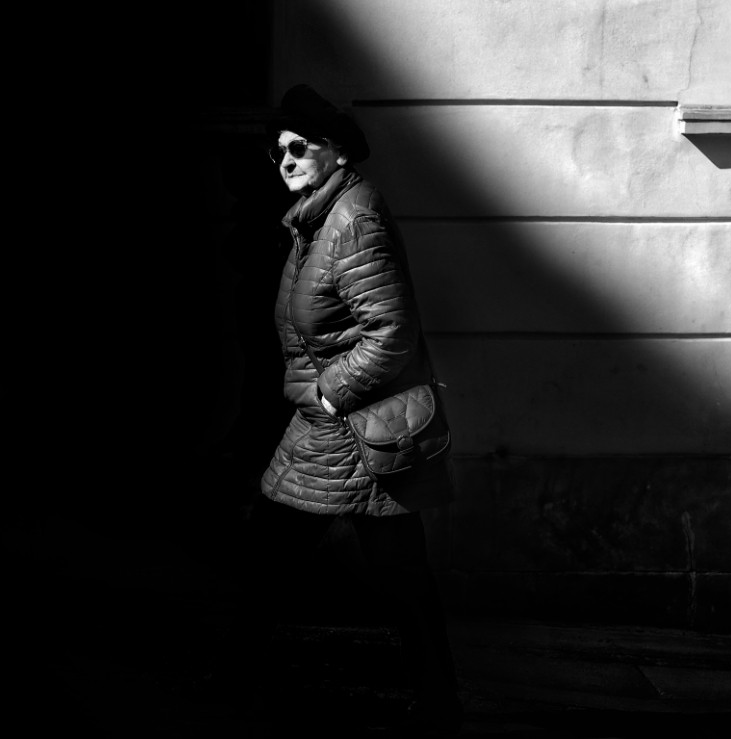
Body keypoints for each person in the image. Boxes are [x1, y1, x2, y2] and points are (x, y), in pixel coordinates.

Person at [210, 84, 462, 736]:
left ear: (339, 151)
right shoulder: (316, 219)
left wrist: (330, 392)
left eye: (301, 147)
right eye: (278, 151)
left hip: (351, 428)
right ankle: (437, 702)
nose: (286, 159)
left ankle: (233, 683)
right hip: (334, 426)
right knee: (298, 558)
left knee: (298, 558)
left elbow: (392, 330)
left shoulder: (352, 222)